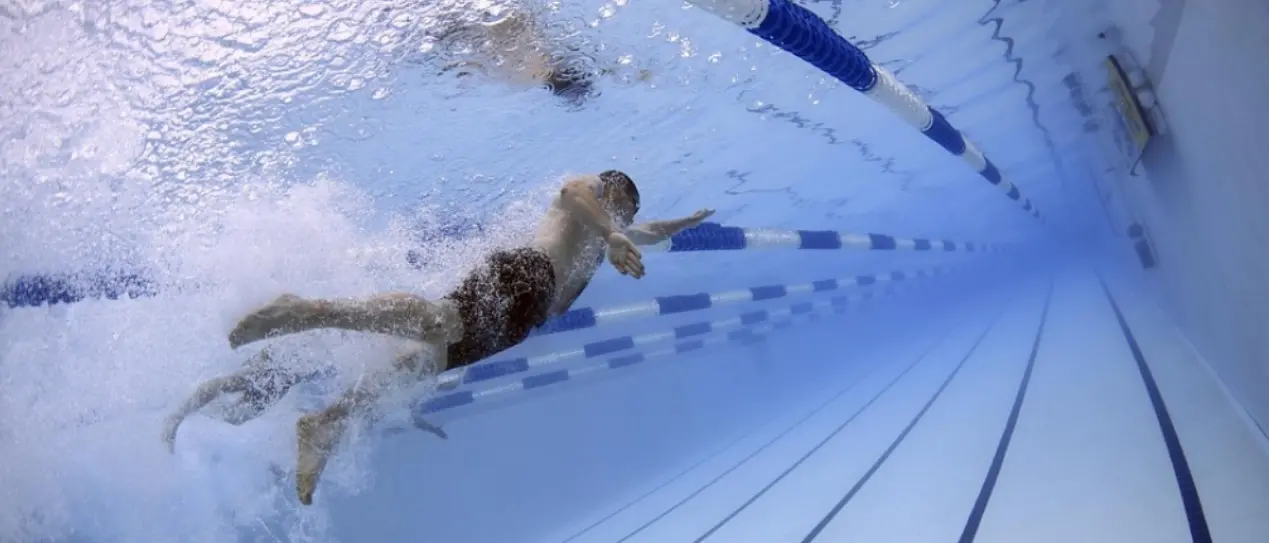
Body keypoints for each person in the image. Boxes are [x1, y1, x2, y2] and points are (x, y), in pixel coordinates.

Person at [226, 170, 713, 505]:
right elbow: (570, 192)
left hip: (520, 321)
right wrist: (611, 234)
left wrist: (685, 222)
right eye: (624, 208)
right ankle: (303, 312)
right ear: (612, 192)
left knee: (420, 364)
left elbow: (647, 231)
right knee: (438, 322)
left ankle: (326, 422)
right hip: (528, 273)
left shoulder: (609, 233)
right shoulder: (594, 196)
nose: (625, 220)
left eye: (627, 216)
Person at [160, 348, 450, 453]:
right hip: (283, 360)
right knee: (236, 383)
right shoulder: (381, 363)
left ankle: (196, 410)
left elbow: (405, 412)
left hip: (288, 376)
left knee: (238, 416)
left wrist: (430, 427)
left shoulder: (388, 387)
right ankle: (176, 415)